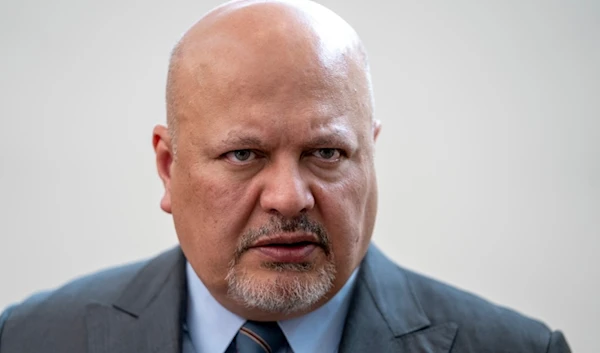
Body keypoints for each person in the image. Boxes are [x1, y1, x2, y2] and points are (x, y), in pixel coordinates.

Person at [0, 0, 571, 352]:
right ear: (169, 168)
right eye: (244, 155)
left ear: (369, 156)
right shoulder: (30, 341)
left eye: (325, 153)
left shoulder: (516, 348)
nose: (288, 197)